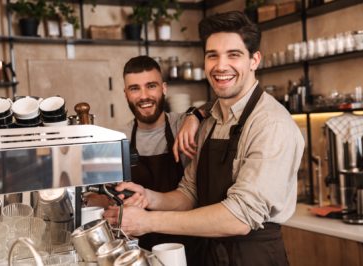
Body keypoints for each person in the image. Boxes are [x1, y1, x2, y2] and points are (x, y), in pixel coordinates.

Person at [105, 11, 305, 266]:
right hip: (209, 256)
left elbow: (240, 217)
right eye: (213, 55)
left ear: (254, 60)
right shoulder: (209, 120)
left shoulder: (271, 124)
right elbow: (190, 192)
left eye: (233, 55)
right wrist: (148, 197)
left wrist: (146, 221)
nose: (221, 66)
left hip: (253, 258)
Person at [87, 55, 203, 265]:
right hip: (138, 249)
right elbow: (106, 195)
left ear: (164, 88)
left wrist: (195, 115)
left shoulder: (183, 126)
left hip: (186, 246)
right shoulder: (118, 139)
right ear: (125, 93)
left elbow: (215, 108)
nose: (144, 96)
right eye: (134, 88)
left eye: (151, 86)